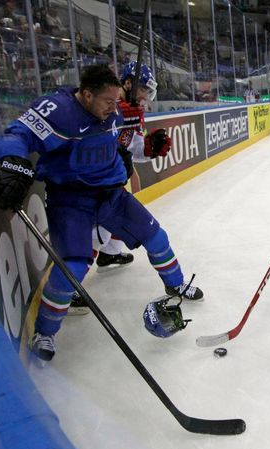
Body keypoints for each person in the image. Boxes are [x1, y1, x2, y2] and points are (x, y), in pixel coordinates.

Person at [0, 64, 203, 361]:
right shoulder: (58, 110)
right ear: (86, 95)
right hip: (71, 200)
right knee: (72, 269)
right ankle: (45, 332)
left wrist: (127, 154)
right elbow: (16, 135)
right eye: (108, 102)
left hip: (112, 194)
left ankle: (175, 283)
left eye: (116, 102)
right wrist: (12, 161)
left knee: (156, 237)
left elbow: (113, 141)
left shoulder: (110, 110)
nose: (114, 109)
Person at [68, 61, 164, 315]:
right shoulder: (111, 109)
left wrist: (148, 148)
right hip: (93, 184)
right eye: (142, 88)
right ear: (128, 83)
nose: (145, 96)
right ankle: (68, 288)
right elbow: (110, 131)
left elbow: (129, 144)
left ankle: (110, 255)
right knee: (96, 232)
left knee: (109, 226)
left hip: (113, 178)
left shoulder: (131, 110)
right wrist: (124, 113)